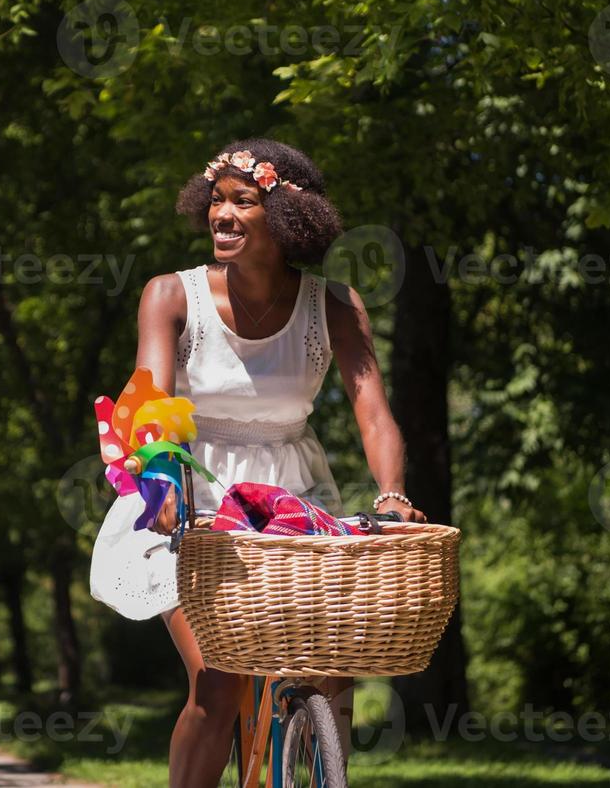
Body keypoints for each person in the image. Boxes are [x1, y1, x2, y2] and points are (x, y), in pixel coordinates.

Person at [89, 139, 427, 787]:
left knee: (328, 673)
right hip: (187, 497)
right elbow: (150, 398)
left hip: (293, 501)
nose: (222, 213)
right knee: (217, 681)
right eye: (215, 200)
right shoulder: (170, 295)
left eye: (242, 201)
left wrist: (391, 493)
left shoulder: (333, 306)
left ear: (286, 218)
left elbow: (373, 413)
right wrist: (159, 480)